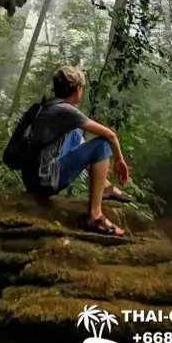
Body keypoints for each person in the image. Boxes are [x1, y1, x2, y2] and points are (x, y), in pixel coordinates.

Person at [20, 65, 131, 236]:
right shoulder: (65, 111)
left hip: (33, 176)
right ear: (78, 89)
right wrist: (119, 160)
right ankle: (95, 215)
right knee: (102, 144)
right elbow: (110, 135)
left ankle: (106, 187)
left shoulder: (50, 105)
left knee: (76, 131)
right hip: (45, 179)